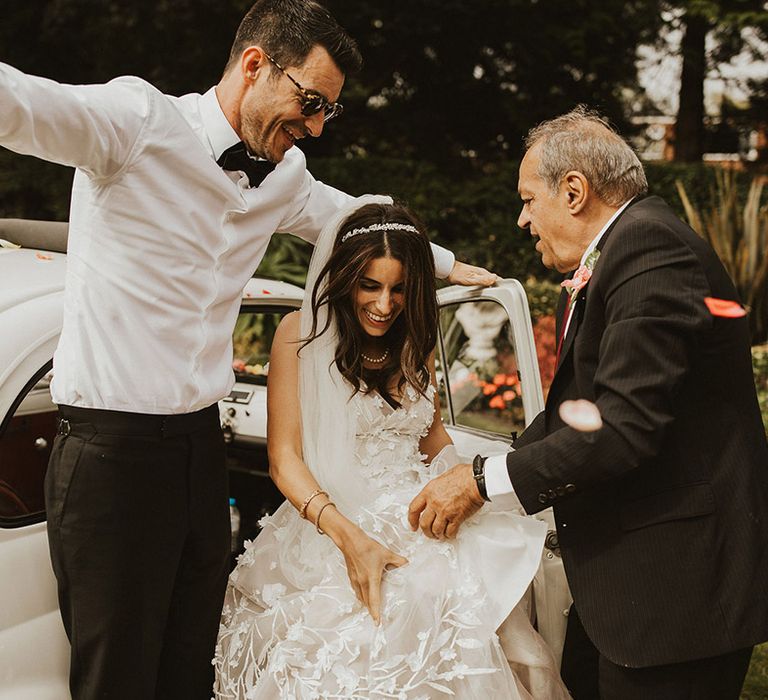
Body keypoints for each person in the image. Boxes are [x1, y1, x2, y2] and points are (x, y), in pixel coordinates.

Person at [0, 2, 496, 698]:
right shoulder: (136, 121)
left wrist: (448, 265)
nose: (317, 127)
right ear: (256, 64)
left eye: (330, 112)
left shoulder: (285, 175)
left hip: (201, 449)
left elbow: (352, 220)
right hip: (109, 454)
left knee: (190, 662)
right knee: (116, 673)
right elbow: (20, 104)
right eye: (311, 102)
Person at [408, 106, 768, 699]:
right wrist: (477, 462)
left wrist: (478, 484)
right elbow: (580, 406)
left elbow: (620, 428)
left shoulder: (649, 250)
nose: (523, 219)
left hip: (677, 595)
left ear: (574, 191)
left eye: (528, 200)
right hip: (628, 591)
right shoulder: (622, 249)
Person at [213, 198, 571, 699]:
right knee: (370, 641)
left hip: (419, 511)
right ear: (344, 278)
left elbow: (432, 437)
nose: (385, 304)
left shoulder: (415, 337)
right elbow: (284, 459)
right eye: (370, 286)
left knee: (480, 623)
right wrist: (349, 537)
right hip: (333, 520)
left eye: (399, 289)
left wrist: (472, 485)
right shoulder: (299, 335)